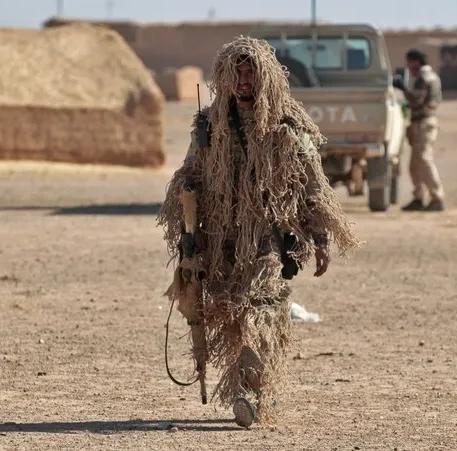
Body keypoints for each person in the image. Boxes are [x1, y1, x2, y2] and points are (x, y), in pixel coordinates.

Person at [157, 36, 362, 428]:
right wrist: (186, 229)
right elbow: (190, 176)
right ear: (225, 76)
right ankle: (256, 390)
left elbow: (313, 188)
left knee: (263, 311)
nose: (244, 79)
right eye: (237, 71)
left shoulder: (288, 126)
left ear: (265, 75)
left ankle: (248, 393)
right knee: (231, 314)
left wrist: (320, 240)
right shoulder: (208, 126)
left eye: (251, 71)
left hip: (268, 238)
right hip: (220, 241)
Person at [393, 49, 445, 212]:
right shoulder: (433, 76)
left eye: (409, 63)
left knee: (423, 160)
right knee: (414, 165)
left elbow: (417, 99)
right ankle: (418, 197)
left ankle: (437, 198)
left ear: (415, 61)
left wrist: (402, 88)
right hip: (422, 122)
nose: (408, 66)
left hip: (424, 123)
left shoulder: (423, 77)